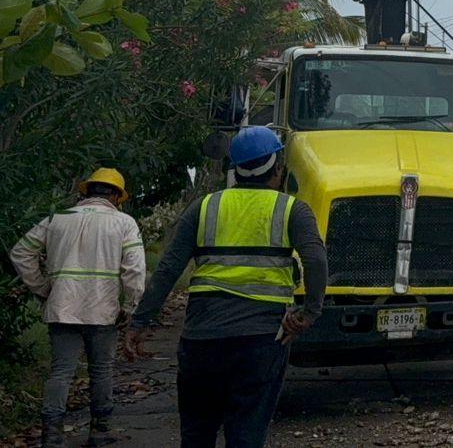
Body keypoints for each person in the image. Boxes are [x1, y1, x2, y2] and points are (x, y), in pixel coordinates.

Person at [126, 126, 327, 448]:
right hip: (261, 339)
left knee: (196, 434)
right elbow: (316, 260)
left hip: (202, 338)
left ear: (234, 168)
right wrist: (309, 313)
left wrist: (139, 322)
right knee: (246, 433)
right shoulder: (292, 209)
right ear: (278, 167)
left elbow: (168, 269)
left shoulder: (204, 207)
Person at [9, 168, 145, 448]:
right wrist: (130, 306)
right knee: (102, 370)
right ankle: (99, 431)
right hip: (104, 310)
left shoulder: (57, 218)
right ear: (118, 196)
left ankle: (52, 435)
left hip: (62, 307)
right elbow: (134, 270)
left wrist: (43, 288)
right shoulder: (124, 223)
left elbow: (21, 252)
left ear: (86, 191)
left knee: (61, 371)